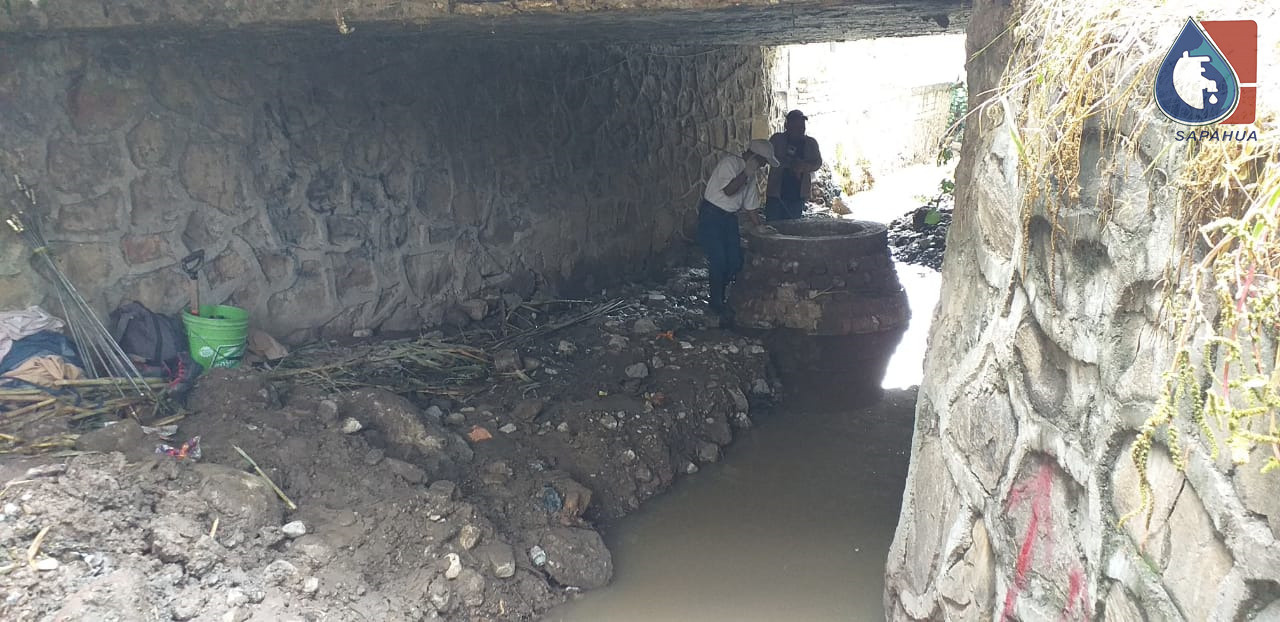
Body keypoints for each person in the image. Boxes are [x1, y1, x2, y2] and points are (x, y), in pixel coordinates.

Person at [697, 138, 779, 327]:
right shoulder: (730, 164)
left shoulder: (751, 175)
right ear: (756, 157)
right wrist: (745, 172)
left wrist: (759, 226)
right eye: (764, 162)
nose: (764, 166)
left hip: (729, 219)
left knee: (734, 260)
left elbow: (751, 206)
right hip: (712, 216)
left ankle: (721, 293)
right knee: (718, 259)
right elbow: (728, 191)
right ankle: (716, 302)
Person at [765, 109, 823, 221]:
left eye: (802, 125)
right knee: (773, 225)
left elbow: (818, 162)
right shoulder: (777, 140)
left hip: (798, 194)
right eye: (796, 125)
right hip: (776, 193)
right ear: (787, 125)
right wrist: (786, 163)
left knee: (793, 226)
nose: (800, 128)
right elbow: (766, 157)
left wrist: (805, 166)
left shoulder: (811, 143)